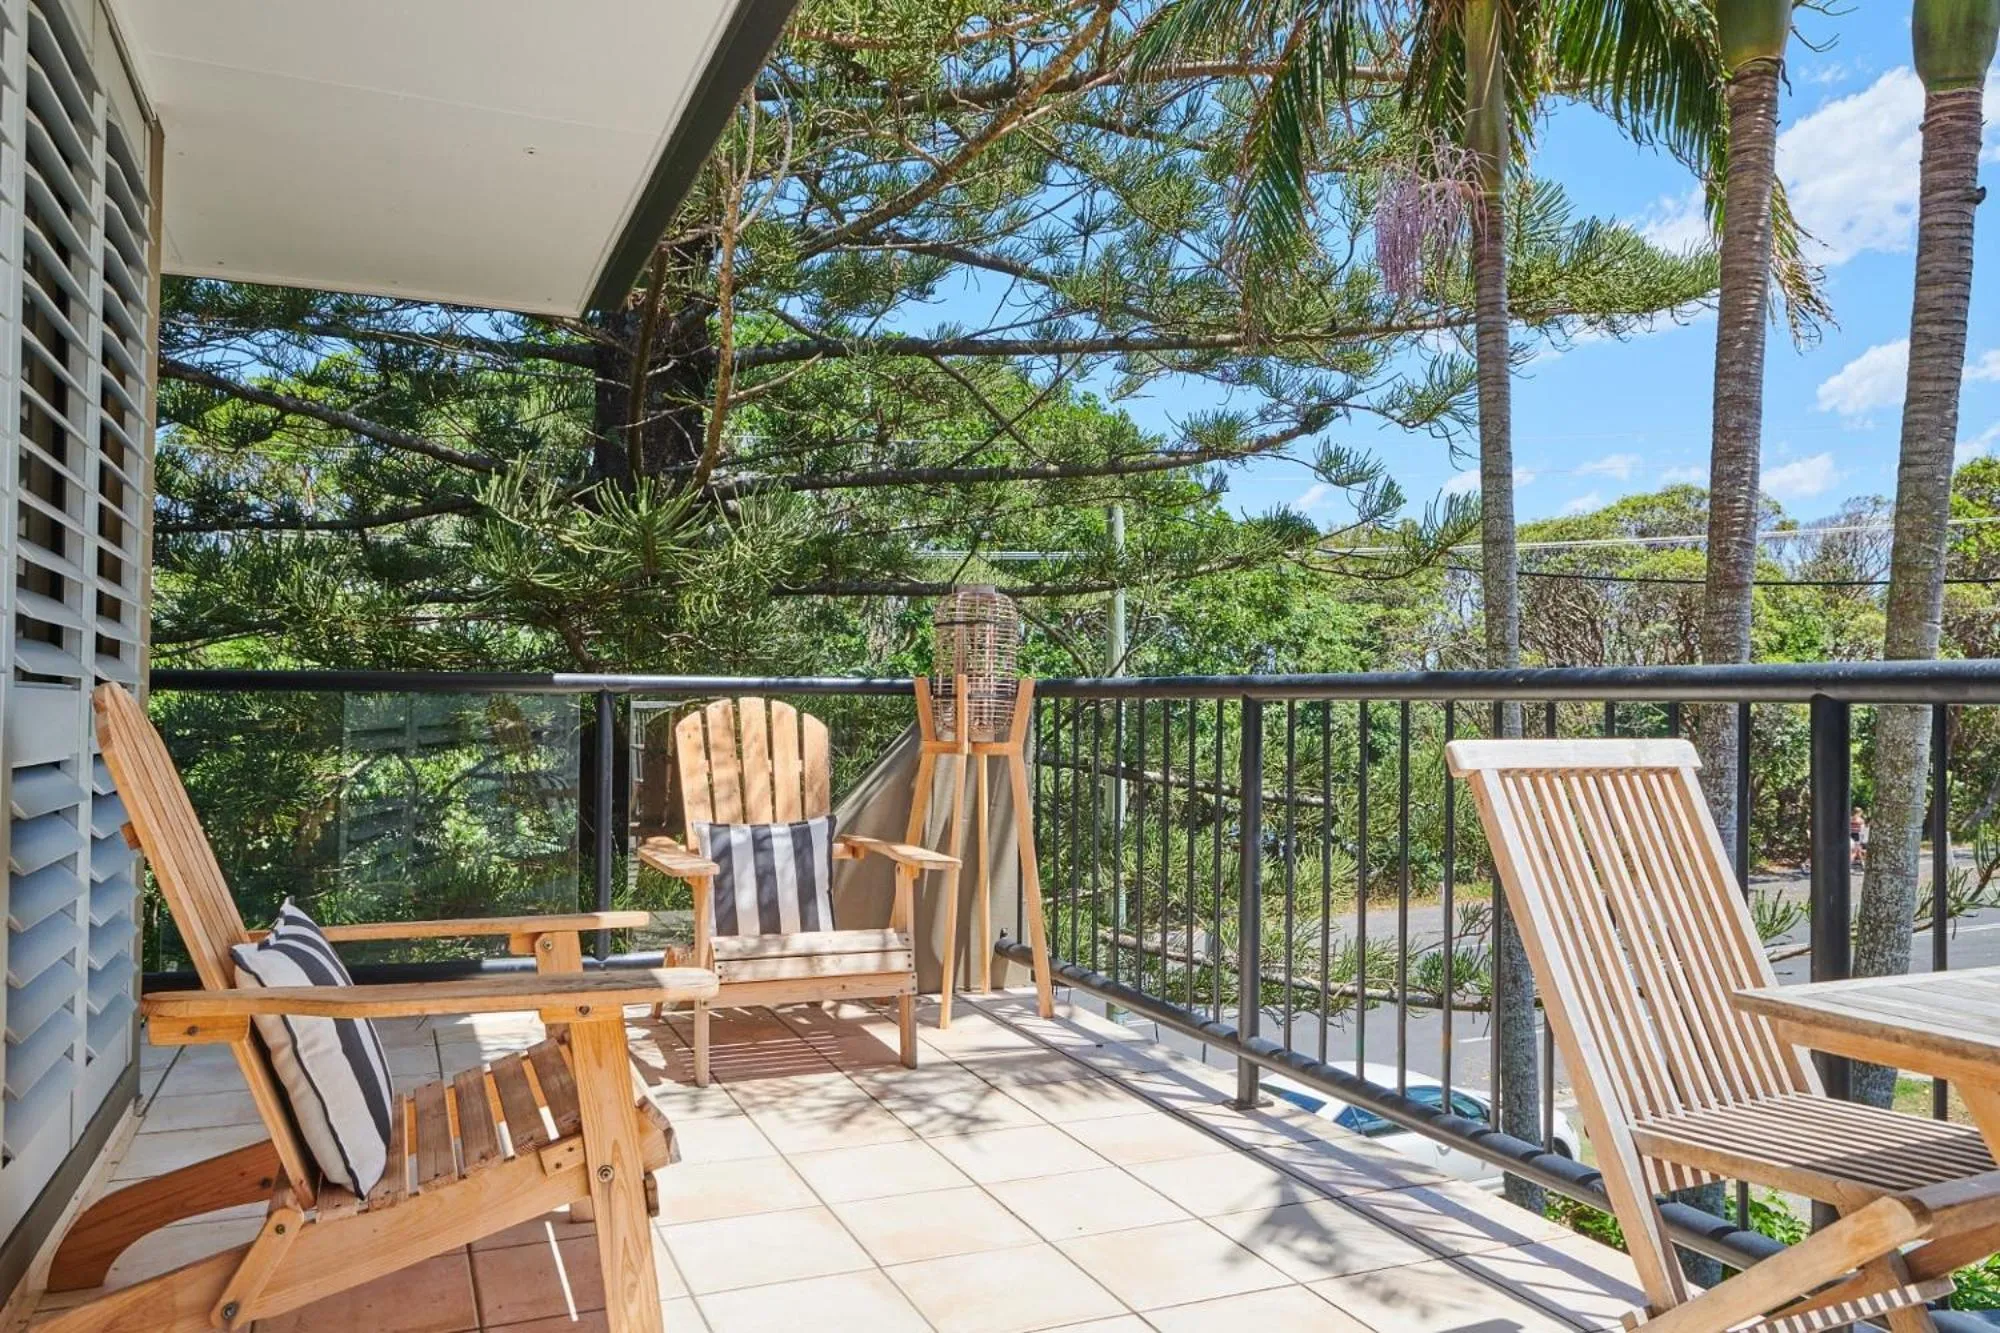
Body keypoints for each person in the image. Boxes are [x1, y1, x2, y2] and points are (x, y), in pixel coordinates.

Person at [1849, 805, 1868, 871]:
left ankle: (1863, 865)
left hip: (1850, 836)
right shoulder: (1861, 820)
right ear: (1859, 812)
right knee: (1855, 852)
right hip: (1857, 836)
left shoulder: (1850, 819)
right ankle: (1849, 865)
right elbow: (1862, 830)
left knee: (1857, 851)